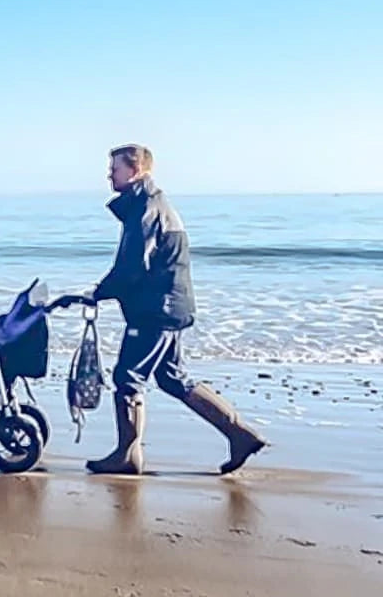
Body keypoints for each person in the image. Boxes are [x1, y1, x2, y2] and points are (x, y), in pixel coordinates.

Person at [66, 144, 266, 477]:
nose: (108, 174)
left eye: (114, 168)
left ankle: (127, 455)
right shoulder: (152, 204)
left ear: (136, 170)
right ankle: (239, 434)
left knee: (128, 378)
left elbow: (132, 265)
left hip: (156, 309)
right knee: (173, 378)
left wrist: (98, 293)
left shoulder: (146, 208)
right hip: (171, 304)